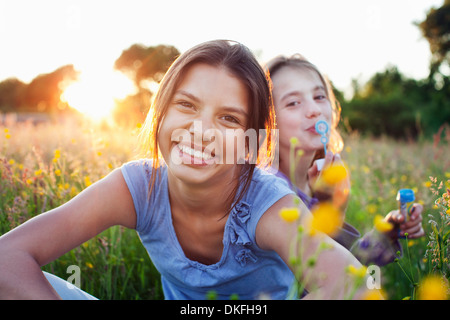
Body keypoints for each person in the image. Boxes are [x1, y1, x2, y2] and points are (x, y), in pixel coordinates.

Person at [0, 40, 367, 300]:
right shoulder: (138, 186)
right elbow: (7, 257)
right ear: (161, 112)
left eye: (228, 118)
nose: (200, 130)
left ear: (249, 144)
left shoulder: (269, 206)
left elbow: (356, 287)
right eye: (186, 105)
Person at [265, 54, 425, 266]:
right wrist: (332, 211)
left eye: (320, 97)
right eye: (294, 102)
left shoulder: (316, 184)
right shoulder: (269, 194)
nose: (314, 110)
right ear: (267, 119)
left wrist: (386, 235)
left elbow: (346, 266)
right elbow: (322, 278)